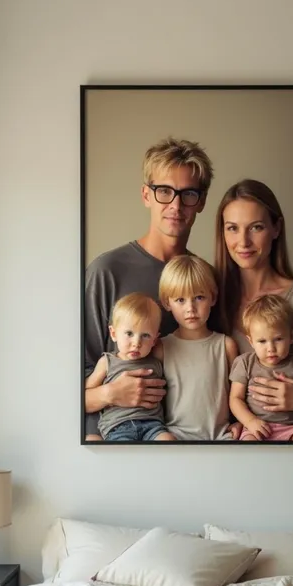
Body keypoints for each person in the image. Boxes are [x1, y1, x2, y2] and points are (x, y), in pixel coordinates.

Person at [84, 137, 214, 440]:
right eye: (164, 191)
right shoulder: (107, 271)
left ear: (202, 201)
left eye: (188, 194)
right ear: (146, 195)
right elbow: (77, 373)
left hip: (189, 442)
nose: (176, 205)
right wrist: (110, 394)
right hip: (111, 441)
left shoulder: (205, 279)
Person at [215, 178, 293, 426]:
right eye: (232, 228)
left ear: (276, 228)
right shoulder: (210, 300)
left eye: (256, 227)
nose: (243, 242)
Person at [154, 255, 238, 441]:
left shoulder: (226, 346)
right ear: (167, 303)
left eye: (199, 297)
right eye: (180, 300)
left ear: (213, 298)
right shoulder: (162, 348)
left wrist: (241, 421)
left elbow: (239, 393)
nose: (190, 308)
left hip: (221, 437)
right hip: (175, 438)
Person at [85, 293, 176, 442]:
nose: (136, 343)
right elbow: (86, 390)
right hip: (118, 426)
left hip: (152, 425)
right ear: (113, 333)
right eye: (129, 333)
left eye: (145, 335)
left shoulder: (156, 362)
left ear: (154, 340)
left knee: (168, 440)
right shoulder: (107, 361)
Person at [229, 295, 293, 441]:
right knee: (247, 445)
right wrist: (250, 421)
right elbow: (235, 399)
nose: (271, 348)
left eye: (278, 339)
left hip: (292, 427)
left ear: (291, 336)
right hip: (256, 426)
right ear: (251, 341)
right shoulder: (245, 363)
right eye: (262, 341)